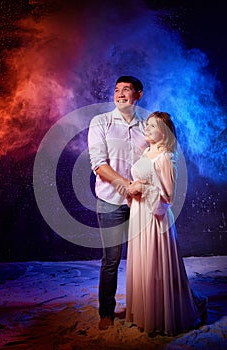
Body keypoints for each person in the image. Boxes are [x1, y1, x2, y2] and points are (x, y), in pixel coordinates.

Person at [125, 111, 207, 336]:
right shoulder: (147, 151)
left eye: (153, 126)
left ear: (165, 131)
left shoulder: (166, 158)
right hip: (139, 214)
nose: (147, 129)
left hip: (155, 217)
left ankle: (163, 315)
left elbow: (168, 198)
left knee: (154, 262)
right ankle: (145, 312)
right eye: (147, 125)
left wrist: (141, 188)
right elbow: (143, 180)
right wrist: (132, 188)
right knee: (143, 263)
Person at [88, 76, 148, 330]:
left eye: (126, 90)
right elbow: (99, 166)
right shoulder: (101, 122)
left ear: (139, 95)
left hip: (141, 203)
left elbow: (157, 160)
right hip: (111, 202)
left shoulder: (147, 126)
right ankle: (106, 312)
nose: (120, 94)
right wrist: (128, 185)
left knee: (143, 259)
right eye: (116, 90)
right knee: (111, 259)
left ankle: (143, 309)